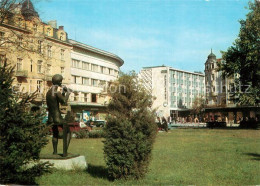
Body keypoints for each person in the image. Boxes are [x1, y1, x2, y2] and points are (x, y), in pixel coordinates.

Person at [46, 74, 72, 157]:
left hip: (50, 118)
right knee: (68, 132)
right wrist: (68, 93)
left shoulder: (49, 92)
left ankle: (55, 152)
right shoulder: (56, 92)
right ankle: (65, 152)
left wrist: (63, 93)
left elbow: (59, 101)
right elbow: (64, 102)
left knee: (55, 133)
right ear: (60, 82)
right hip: (57, 117)